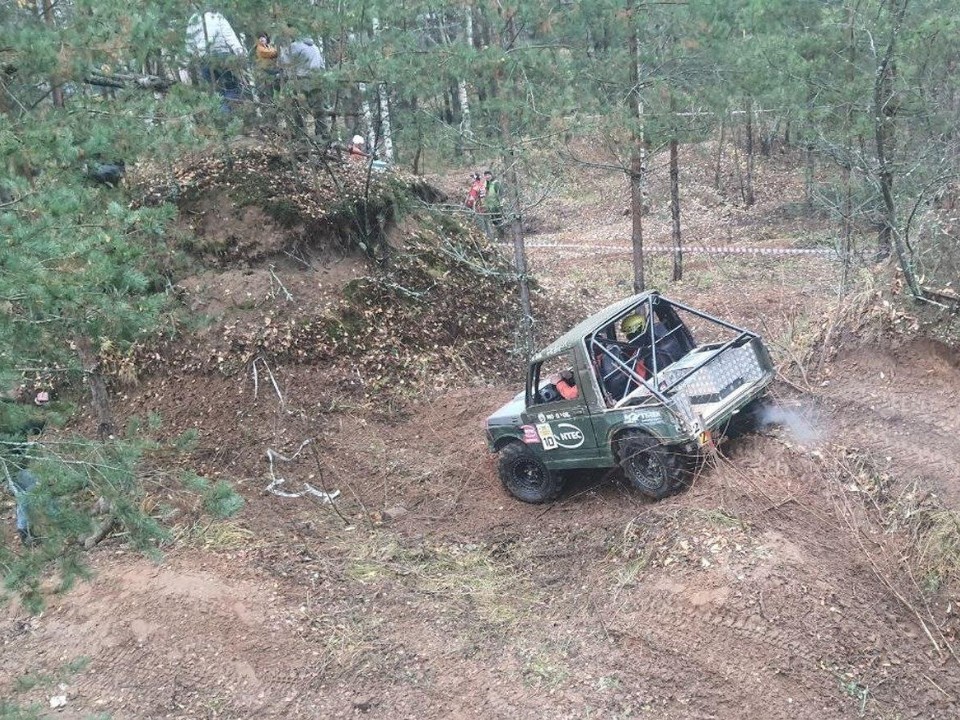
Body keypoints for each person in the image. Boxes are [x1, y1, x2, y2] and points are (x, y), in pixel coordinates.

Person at [1, 388, 49, 547]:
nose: (20, 389)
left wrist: (39, 405)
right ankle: (62, 522)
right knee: (35, 488)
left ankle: (25, 532)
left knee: (25, 494)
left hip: (16, 467)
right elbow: (36, 426)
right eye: (15, 387)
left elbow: (37, 427)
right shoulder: (11, 413)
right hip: (11, 468)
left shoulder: (15, 412)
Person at [185, 9, 247, 113]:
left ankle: (222, 115)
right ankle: (229, 115)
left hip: (204, 59)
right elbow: (229, 35)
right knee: (231, 87)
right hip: (222, 56)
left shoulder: (193, 19)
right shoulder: (218, 16)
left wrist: (191, 58)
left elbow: (189, 43)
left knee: (217, 91)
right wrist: (239, 51)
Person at [280, 35, 327, 138]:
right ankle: (322, 135)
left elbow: (284, 62)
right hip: (316, 80)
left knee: (297, 109)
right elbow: (322, 66)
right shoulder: (315, 47)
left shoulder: (295, 46)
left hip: (300, 80)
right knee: (319, 110)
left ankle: (301, 136)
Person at [254, 33, 280, 99]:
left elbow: (274, 52)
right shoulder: (259, 48)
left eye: (263, 37)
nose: (261, 39)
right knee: (264, 88)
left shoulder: (269, 46)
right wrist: (277, 52)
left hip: (270, 70)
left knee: (270, 87)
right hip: (263, 71)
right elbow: (271, 53)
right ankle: (260, 97)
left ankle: (270, 100)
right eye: (260, 38)